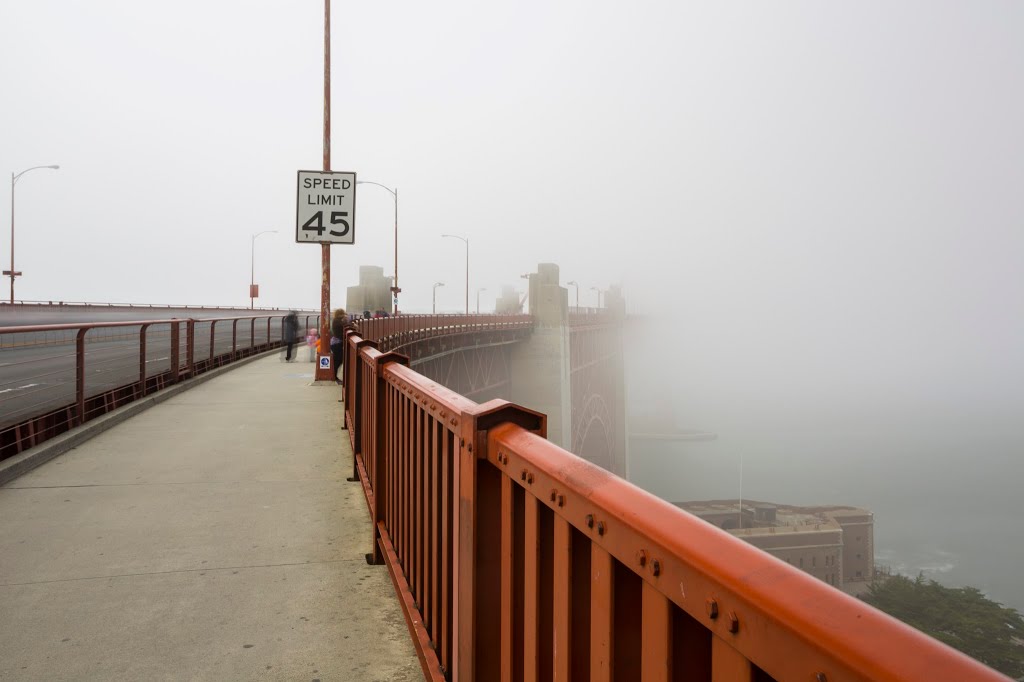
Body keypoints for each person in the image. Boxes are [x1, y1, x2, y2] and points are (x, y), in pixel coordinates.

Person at [330, 308, 351, 384]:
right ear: (340, 314)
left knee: (338, 361)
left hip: (337, 343)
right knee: (337, 361)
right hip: (336, 343)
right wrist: (348, 321)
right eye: (343, 314)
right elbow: (345, 325)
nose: (344, 315)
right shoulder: (337, 321)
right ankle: (334, 377)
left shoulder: (337, 320)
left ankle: (334, 377)